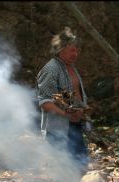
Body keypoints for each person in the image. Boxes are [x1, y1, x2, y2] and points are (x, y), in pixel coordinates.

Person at [36, 27, 90, 172]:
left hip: (74, 125)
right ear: (60, 49)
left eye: (77, 50)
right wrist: (66, 114)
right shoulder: (51, 69)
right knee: (67, 169)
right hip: (58, 129)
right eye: (72, 50)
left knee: (81, 165)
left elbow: (63, 95)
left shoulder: (70, 67)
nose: (75, 53)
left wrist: (81, 110)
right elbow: (45, 102)